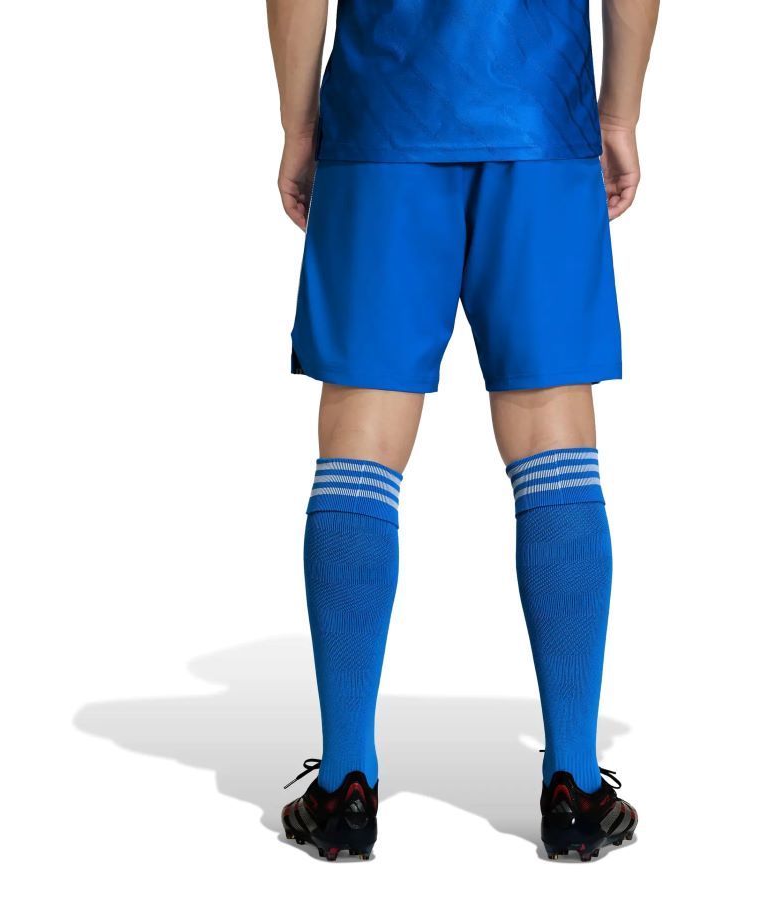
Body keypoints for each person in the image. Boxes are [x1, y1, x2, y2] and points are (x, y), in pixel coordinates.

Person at [267, 0, 659, 862]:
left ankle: (345, 786)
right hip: (542, 119)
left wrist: (299, 126)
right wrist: (618, 114)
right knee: (553, 440)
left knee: (360, 442)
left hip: (381, 120)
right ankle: (574, 783)